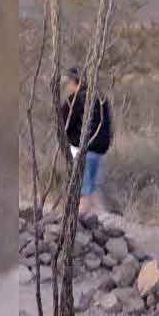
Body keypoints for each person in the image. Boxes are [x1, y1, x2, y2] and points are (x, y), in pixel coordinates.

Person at [60, 67, 113, 215]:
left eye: (69, 81)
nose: (68, 85)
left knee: (85, 194)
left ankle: (74, 225)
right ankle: (105, 224)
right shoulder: (102, 99)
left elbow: (63, 126)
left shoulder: (74, 101)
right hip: (100, 151)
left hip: (83, 151)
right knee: (94, 190)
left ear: (74, 82)